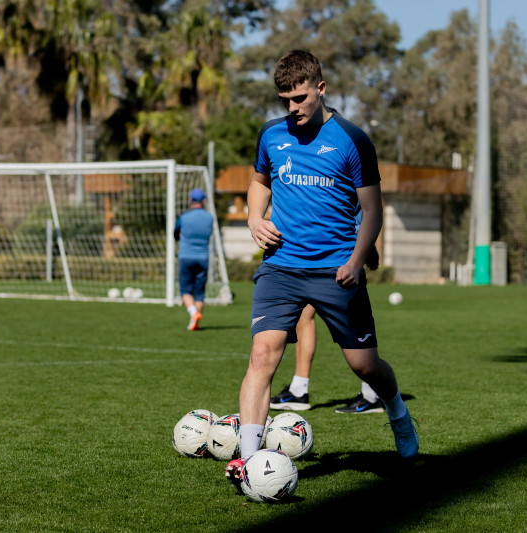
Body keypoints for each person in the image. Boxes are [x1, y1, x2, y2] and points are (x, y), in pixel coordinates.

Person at [226, 49, 418, 491]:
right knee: (262, 356)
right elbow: (259, 183)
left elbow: (372, 209)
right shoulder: (271, 136)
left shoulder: (353, 140)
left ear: (320, 88)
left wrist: (355, 259)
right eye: (283, 101)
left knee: (365, 366)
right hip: (281, 267)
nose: (291, 109)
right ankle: (250, 462)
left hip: (337, 271)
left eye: (299, 99)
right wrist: (255, 219)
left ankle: (398, 415)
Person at [270, 247, 386, 414]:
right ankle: (298, 390)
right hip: (321, 255)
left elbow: (362, 220)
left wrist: (370, 249)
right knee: (304, 313)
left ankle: (371, 395)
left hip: (341, 255)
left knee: (352, 320)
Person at [173, 188, 214, 331]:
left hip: (185, 256)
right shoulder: (210, 217)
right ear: (203, 201)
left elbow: (175, 233)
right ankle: (194, 322)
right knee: (199, 293)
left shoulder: (183, 217)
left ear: (190, 200)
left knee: (185, 291)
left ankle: (193, 313)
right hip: (203, 257)